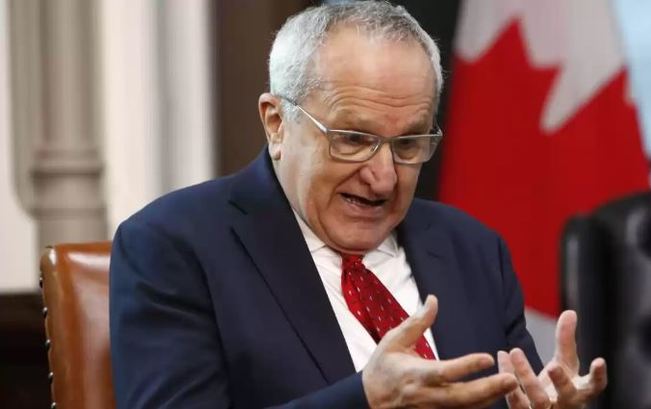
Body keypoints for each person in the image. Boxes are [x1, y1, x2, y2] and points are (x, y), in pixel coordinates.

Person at [109, 2, 607, 408]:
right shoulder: (175, 246)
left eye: (408, 144)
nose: (383, 177)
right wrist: (366, 399)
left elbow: (523, 395)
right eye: (352, 139)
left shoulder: (471, 248)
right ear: (277, 124)